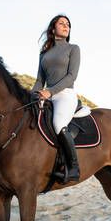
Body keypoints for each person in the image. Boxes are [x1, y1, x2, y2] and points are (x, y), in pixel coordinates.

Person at [32, 14, 81, 182]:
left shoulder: (73, 48)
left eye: (68, 24)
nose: (66, 26)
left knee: (58, 124)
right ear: (53, 29)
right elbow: (40, 80)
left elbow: (71, 76)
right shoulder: (44, 53)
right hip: (47, 95)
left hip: (64, 94)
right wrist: (33, 96)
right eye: (62, 23)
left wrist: (50, 92)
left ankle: (74, 168)